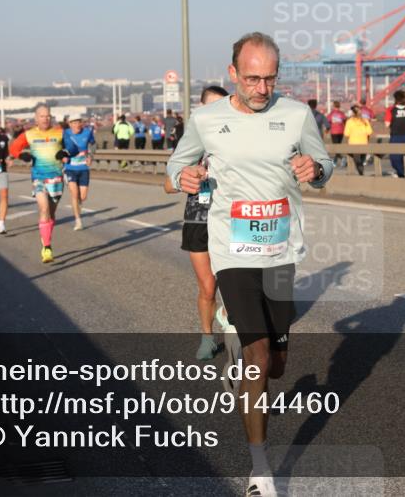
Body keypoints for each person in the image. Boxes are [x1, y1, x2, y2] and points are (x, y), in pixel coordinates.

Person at [166, 32, 333, 497]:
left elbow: (324, 164)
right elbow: (175, 165)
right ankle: (260, 471)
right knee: (259, 358)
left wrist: (315, 170)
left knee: (277, 364)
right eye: (253, 78)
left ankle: (242, 355)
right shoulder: (206, 119)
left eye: (270, 79)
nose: (262, 88)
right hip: (232, 251)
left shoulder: (296, 114)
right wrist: (184, 175)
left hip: (280, 251)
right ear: (233, 73)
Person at [164, 86, 229, 361]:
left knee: (237, 285)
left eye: (222, 106)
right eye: (211, 106)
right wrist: (187, 178)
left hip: (231, 220)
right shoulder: (191, 143)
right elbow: (168, 185)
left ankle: (229, 316)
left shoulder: (236, 141)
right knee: (207, 287)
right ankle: (207, 338)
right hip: (198, 219)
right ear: (201, 109)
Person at [9, 104, 71, 263]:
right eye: (42, 116)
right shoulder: (29, 134)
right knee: (43, 209)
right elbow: (13, 148)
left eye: (48, 116)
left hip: (56, 178)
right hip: (38, 178)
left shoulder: (60, 132)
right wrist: (21, 155)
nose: (45, 118)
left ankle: (46, 237)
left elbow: (73, 148)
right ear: (36, 118)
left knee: (51, 213)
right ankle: (47, 247)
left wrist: (65, 152)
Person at [63, 113, 97, 231]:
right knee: (74, 194)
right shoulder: (65, 133)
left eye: (79, 122)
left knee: (82, 197)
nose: (77, 125)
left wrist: (90, 156)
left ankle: (78, 205)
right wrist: (62, 156)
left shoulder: (87, 132)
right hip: (70, 168)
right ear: (70, 124)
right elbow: (59, 146)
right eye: (74, 122)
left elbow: (93, 144)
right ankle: (78, 220)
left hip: (83, 168)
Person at [384, 90, 405, 178]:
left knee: (394, 157)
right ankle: (404, 172)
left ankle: (402, 172)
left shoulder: (390, 110)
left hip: (395, 136)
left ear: (396, 99)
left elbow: (387, 124)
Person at [344, 104, 373, 175]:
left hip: (353, 144)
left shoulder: (349, 121)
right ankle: (361, 173)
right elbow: (369, 132)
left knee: (357, 161)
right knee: (361, 160)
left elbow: (346, 133)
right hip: (364, 143)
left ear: (352, 112)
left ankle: (361, 173)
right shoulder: (365, 121)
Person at [327, 100, 347, 167]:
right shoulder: (342, 113)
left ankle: (341, 158)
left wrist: (327, 130)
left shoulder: (331, 113)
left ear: (333, 106)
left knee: (335, 147)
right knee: (338, 146)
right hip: (341, 131)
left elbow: (328, 121)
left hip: (334, 132)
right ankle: (336, 161)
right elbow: (345, 121)